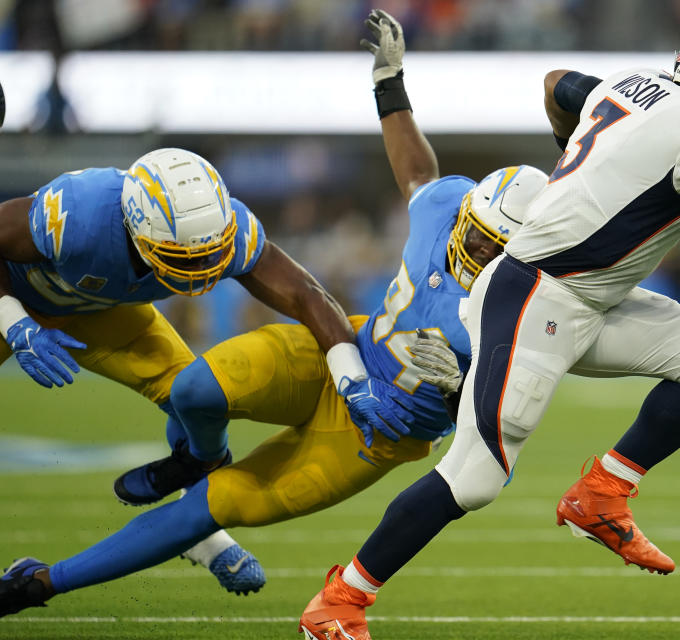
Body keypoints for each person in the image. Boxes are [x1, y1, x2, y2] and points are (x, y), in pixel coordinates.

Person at [299, 9, 680, 640]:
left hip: (587, 297)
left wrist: (579, 161)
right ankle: (338, 603)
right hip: (536, 298)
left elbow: (557, 82)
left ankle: (603, 493)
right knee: (473, 478)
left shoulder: (636, 84)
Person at [0, 18, 548, 616]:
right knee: (196, 388)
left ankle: (39, 584)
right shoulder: (74, 215)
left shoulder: (535, 301)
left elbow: (512, 415)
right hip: (347, 354)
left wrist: (464, 391)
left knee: (208, 499)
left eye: (498, 248)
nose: (476, 251)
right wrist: (390, 84)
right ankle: (198, 456)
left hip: (374, 435)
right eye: (479, 234)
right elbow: (417, 175)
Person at [0, 147, 412, 595]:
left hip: (102, 310)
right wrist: (13, 321)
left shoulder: (223, 226)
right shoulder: (78, 213)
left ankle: (203, 533)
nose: (199, 270)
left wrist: (350, 373)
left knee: (188, 394)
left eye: (208, 255)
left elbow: (305, 294)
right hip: (16, 300)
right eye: (180, 256)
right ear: (135, 225)